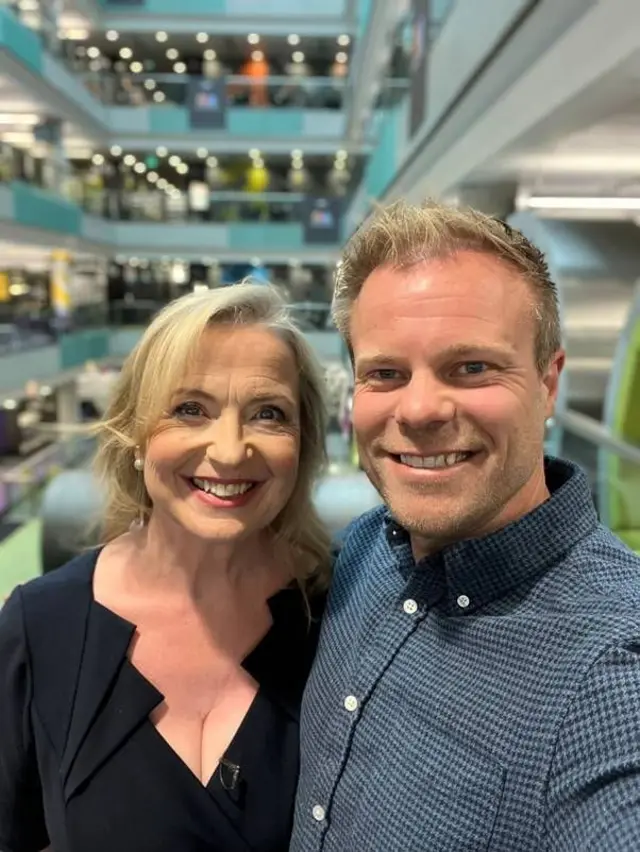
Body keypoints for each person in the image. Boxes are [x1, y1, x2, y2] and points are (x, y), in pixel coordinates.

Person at [291, 200, 640, 851]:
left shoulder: (611, 668)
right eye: (386, 374)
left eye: (472, 367)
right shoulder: (366, 550)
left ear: (548, 382)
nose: (420, 409)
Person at [0, 283, 331, 852]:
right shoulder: (40, 627)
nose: (229, 451)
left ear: (301, 445)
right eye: (189, 409)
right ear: (135, 433)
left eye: (268, 413)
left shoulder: (342, 615)